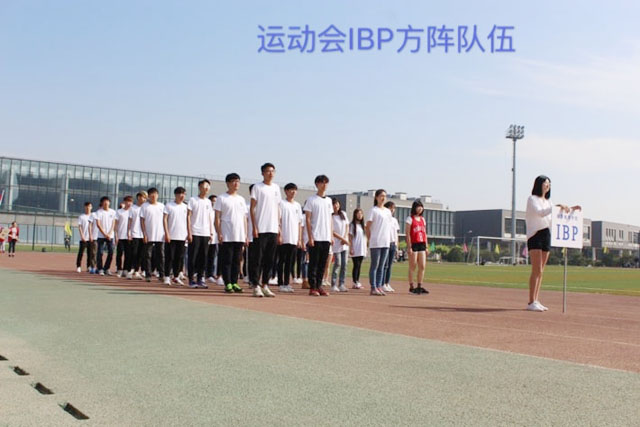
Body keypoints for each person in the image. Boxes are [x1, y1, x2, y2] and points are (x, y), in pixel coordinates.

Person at [525, 175, 580, 312]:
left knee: (541, 271)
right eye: (545, 183)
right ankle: (531, 301)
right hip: (535, 234)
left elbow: (554, 216)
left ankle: (536, 300)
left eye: (549, 184)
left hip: (546, 234)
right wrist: (556, 207)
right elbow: (540, 213)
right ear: (539, 184)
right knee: (536, 269)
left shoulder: (549, 202)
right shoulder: (532, 199)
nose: (547, 186)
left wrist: (570, 210)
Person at [249, 163, 281, 298]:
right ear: (262, 173)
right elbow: (252, 208)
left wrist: (278, 227)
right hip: (261, 229)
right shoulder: (257, 187)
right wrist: (254, 227)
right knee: (258, 259)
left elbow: (278, 208)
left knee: (270, 259)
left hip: (273, 229)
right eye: (268, 171)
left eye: (273, 171)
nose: (270, 173)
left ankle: (265, 284)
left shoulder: (276, 188)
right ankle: (255, 285)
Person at [214, 173, 247, 294]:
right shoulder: (221, 198)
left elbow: (244, 218)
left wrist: (245, 234)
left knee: (237, 260)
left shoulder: (241, 199)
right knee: (227, 260)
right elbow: (217, 218)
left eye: (238, 181)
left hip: (239, 235)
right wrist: (219, 232)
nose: (236, 183)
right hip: (226, 234)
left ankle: (234, 282)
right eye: (233, 181)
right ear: (228, 183)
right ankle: (227, 283)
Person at [304, 175, 333, 296]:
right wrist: (310, 237)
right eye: (322, 182)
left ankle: (319, 285)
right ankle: (313, 287)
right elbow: (308, 219)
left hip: (326, 237)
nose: (324, 185)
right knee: (313, 263)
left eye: (326, 183)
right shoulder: (311, 200)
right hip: (315, 236)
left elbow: (330, 219)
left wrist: (331, 235)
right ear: (317, 184)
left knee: (323, 264)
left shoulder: (329, 201)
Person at [187, 179, 214, 289]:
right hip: (195, 232)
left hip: (205, 233)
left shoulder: (208, 202)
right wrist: (189, 232)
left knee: (203, 257)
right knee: (193, 257)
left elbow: (209, 218)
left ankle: (200, 278)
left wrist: (211, 232)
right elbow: (188, 216)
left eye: (208, 186)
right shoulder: (193, 200)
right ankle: (191, 279)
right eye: (204, 186)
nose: (206, 188)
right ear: (199, 187)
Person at [277, 183, 303, 293]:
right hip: (283, 237)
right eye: (291, 190)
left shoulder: (297, 205)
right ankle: (280, 283)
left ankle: (287, 283)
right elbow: (278, 220)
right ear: (286, 191)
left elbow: (299, 223)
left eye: (295, 190)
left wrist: (299, 239)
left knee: (290, 262)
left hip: (293, 238)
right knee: (281, 261)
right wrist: (279, 234)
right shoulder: (281, 203)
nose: (293, 192)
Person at [366, 190, 392, 296]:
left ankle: (379, 286)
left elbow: (389, 226)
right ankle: (373, 287)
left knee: (382, 266)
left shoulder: (388, 211)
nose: (383, 198)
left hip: (386, 242)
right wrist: (370, 239)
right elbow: (367, 226)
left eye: (385, 196)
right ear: (376, 197)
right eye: (381, 196)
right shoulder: (373, 210)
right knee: (375, 265)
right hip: (376, 241)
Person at [140, 188, 166, 284]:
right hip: (149, 234)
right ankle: (148, 274)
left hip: (160, 235)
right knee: (147, 255)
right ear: (148, 196)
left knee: (161, 255)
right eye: (151, 194)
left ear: (158, 195)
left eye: (155, 194)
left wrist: (166, 232)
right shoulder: (145, 206)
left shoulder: (162, 206)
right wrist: (144, 234)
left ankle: (161, 274)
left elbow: (165, 220)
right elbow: (142, 221)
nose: (153, 196)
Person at [164, 187, 188, 286]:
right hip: (171, 236)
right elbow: (165, 219)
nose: (182, 196)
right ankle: (166, 276)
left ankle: (176, 276)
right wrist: (166, 233)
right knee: (169, 257)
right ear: (175, 195)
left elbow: (188, 221)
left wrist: (188, 233)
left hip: (182, 236)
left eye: (184, 194)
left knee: (179, 258)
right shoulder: (169, 205)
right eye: (180, 194)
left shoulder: (186, 207)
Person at [405, 200, 429, 294]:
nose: (420, 208)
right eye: (418, 206)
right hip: (414, 244)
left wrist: (426, 246)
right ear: (414, 208)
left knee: (422, 266)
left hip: (422, 244)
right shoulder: (410, 219)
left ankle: (419, 285)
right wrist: (409, 246)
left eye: (421, 207)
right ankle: (411, 286)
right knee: (413, 266)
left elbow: (425, 233)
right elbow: (407, 234)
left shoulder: (422, 219)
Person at [127, 191, 147, 280]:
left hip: (143, 234)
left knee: (141, 254)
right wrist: (128, 232)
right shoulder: (133, 208)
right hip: (135, 233)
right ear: (138, 197)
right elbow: (130, 221)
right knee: (134, 252)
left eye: (145, 197)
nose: (143, 199)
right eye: (142, 197)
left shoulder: (146, 208)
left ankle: (136, 270)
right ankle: (130, 270)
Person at [330, 198, 349, 293]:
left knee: (344, 264)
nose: (335, 206)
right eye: (333, 204)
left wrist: (345, 237)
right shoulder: (331, 217)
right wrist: (342, 239)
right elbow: (332, 231)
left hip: (344, 243)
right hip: (336, 243)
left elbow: (347, 226)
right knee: (338, 263)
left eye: (337, 204)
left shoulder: (343, 214)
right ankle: (333, 284)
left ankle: (341, 284)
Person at [95, 197, 116, 275]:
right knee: (100, 252)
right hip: (101, 236)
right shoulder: (99, 212)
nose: (106, 203)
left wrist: (110, 233)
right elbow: (98, 224)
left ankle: (107, 268)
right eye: (104, 201)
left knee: (111, 252)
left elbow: (113, 223)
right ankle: (100, 268)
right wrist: (105, 234)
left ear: (109, 202)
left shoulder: (113, 212)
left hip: (110, 236)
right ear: (102, 203)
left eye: (107, 201)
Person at [206, 195, 223, 286]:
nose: (214, 203)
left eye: (215, 201)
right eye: (213, 201)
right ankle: (208, 274)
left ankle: (218, 275)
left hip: (218, 237)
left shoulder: (219, 212)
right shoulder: (208, 212)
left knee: (218, 256)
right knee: (209, 256)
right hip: (210, 236)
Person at [114, 196, 133, 277]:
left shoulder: (132, 211)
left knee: (128, 254)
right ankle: (119, 269)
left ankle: (126, 269)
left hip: (129, 236)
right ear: (124, 202)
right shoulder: (119, 212)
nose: (129, 203)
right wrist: (116, 235)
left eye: (130, 202)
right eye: (127, 201)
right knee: (119, 253)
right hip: (120, 236)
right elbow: (116, 224)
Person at [382, 201, 399, 293]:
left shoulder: (394, 220)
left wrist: (397, 246)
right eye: (390, 208)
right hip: (385, 243)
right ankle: (382, 283)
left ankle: (387, 283)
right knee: (385, 265)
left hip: (393, 243)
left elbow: (396, 233)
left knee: (390, 265)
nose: (392, 210)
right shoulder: (384, 219)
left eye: (393, 208)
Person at [349, 208, 366, 289]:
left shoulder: (363, 226)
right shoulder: (352, 225)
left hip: (362, 248)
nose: (360, 215)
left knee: (359, 265)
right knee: (356, 265)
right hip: (355, 247)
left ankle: (357, 281)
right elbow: (350, 237)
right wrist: (351, 248)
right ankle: (354, 281)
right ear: (355, 215)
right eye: (358, 213)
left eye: (361, 214)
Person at [76, 202, 93, 272]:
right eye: (87, 206)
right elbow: (79, 227)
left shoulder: (93, 216)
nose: (88, 208)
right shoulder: (81, 216)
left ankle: (89, 266)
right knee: (81, 253)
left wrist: (92, 236)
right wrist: (82, 235)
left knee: (90, 253)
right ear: (84, 207)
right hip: (83, 238)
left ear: (91, 207)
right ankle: (78, 266)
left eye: (89, 206)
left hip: (91, 238)